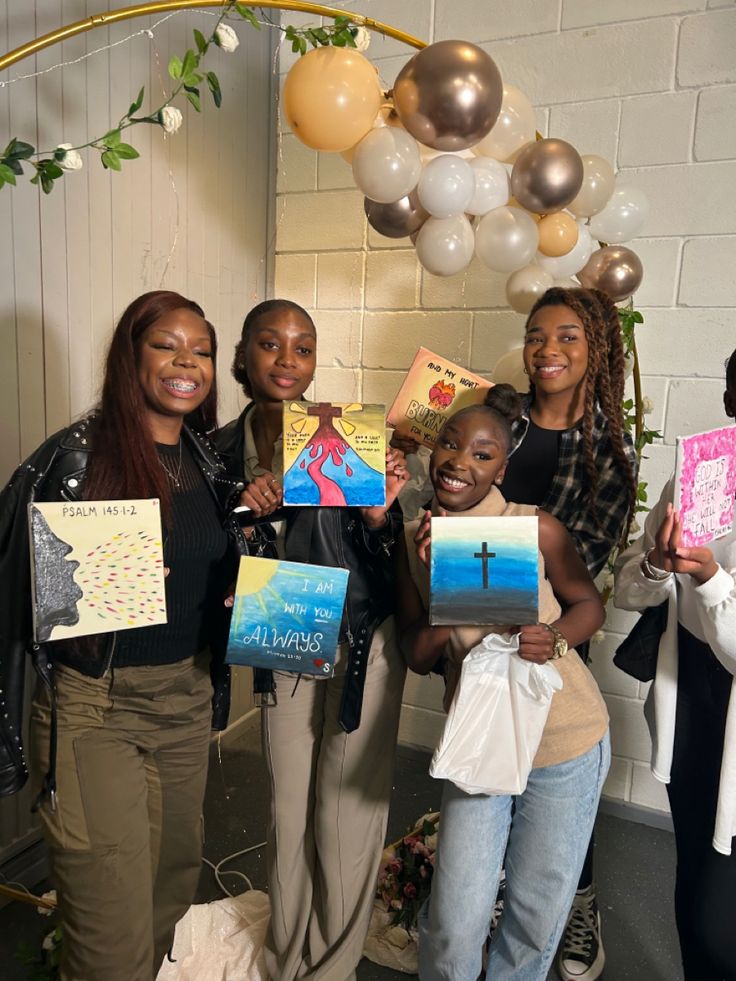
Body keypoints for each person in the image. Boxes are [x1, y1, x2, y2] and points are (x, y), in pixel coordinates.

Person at [0, 290, 249, 981]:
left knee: (167, 892)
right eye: (167, 345)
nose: (186, 363)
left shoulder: (207, 458)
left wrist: (238, 574)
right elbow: (26, 591)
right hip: (96, 708)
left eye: (200, 350)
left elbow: (213, 569)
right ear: (130, 355)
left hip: (187, 699)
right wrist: (86, 571)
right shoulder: (74, 458)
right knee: (108, 933)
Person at [214, 298, 408, 981]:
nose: (287, 359)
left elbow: (385, 550)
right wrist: (244, 507)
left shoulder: (342, 435)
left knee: (343, 808)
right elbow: (207, 549)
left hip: (362, 629)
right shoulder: (213, 451)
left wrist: (382, 513)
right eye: (271, 343)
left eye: (302, 346)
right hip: (283, 619)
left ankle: (331, 964)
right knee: (286, 801)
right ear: (244, 355)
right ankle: (283, 956)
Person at [395, 385, 610, 981]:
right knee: (457, 917)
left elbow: (588, 604)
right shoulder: (415, 538)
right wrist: (446, 592)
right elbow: (415, 653)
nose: (460, 462)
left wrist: (557, 636)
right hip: (481, 739)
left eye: (483, 454)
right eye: (450, 443)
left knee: (536, 916)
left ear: (501, 469)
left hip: (566, 736)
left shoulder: (533, 528)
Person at [497, 285, 638, 981]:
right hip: (477, 635)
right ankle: (493, 893)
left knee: (556, 786)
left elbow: (579, 562)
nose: (547, 350)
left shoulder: (610, 451)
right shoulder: (496, 413)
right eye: (536, 335)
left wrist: (484, 529)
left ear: (597, 351)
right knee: (489, 776)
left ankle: (579, 901)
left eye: (568, 337)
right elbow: (453, 485)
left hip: (554, 640)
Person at [614, 349, 736, 980]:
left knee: (722, 913)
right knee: (696, 869)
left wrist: (713, 581)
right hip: (695, 697)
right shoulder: (695, 481)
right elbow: (629, 591)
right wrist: (658, 566)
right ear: (728, 402)